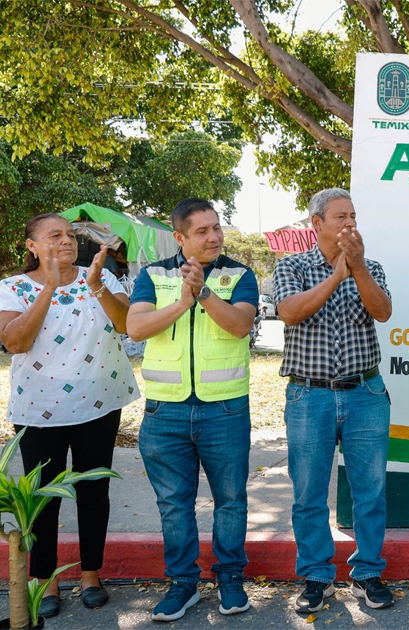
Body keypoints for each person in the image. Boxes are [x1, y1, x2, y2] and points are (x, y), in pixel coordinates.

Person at [0, 214, 139, 619]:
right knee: (43, 499)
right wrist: (50, 284)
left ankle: (91, 574)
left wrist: (93, 283)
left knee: (94, 492)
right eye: (54, 235)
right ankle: (46, 579)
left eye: (69, 235)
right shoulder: (12, 288)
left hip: (98, 403)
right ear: (31, 246)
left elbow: (126, 323)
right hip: (39, 411)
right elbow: (15, 340)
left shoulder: (100, 278)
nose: (66, 241)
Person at [127, 199, 258, 621]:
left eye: (216, 228)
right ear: (180, 238)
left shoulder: (239, 274)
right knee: (174, 504)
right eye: (202, 231)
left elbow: (240, 325)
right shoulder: (153, 275)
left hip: (226, 411)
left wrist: (202, 292)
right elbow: (137, 327)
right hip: (165, 413)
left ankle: (230, 579)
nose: (214, 236)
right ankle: (183, 583)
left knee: (232, 501)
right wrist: (182, 301)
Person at [274, 188, 395, 612]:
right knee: (308, 491)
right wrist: (336, 276)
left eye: (353, 215)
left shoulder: (371, 265)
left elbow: (382, 311)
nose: (349, 223)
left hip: (365, 392)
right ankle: (317, 576)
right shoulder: (290, 265)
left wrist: (357, 268)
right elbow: (289, 312)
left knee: (370, 490)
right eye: (340, 216)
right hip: (310, 395)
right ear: (316, 223)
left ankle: (366, 574)